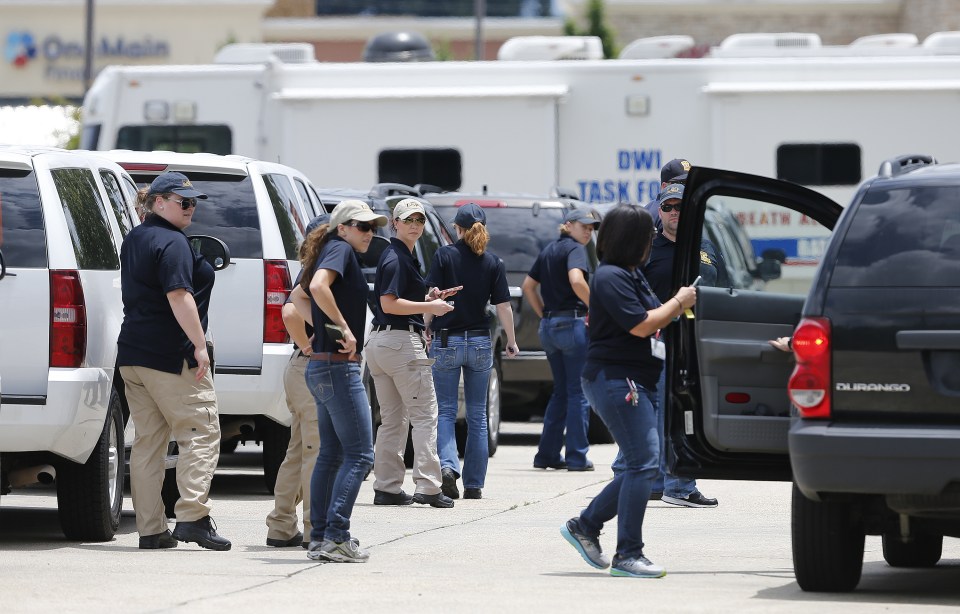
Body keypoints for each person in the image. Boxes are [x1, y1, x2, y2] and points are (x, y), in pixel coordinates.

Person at [560, 205, 697, 578]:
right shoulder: (610, 277)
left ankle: (586, 525)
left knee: (640, 464)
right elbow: (641, 325)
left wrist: (678, 308)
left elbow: (658, 317)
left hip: (637, 379)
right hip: (617, 379)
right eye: (646, 236)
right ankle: (628, 554)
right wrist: (679, 302)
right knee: (644, 463)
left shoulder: (632, 275)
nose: (651, 242)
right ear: (631, 239)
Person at [118, 171, 231, 551]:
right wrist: (200, 347)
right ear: (159, 202)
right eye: (184, 202)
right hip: (171, 355)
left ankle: (151, 529)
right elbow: (179, 296)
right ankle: (193, 518)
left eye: (194, 202)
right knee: (201, 432)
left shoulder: (135, 237)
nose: (190, 208)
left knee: (149, 441)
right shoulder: (173, 242)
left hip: (133, 355)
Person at [289, 199, 385, 563]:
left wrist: (322, 329)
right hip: (339, 369)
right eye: (362, 226)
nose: (368, 233)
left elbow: (299, 295)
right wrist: (342, 329)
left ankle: (321, 536)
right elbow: (316, 287)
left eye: (372, 227)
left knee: (331, 454)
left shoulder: (330, 249)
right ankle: (337, 536)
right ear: (342, 227)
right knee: (361, 454)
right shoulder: (340, 249)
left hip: (323, 367)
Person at [424, 203, 520, 501]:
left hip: (447, 340)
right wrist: (512, 341)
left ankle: (450, 467)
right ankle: (475, 484)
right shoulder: (493, 262)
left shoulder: (444, 255)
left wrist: (427, 325)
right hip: (480, 341)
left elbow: (431, 297)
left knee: (447, 411)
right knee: (478, 414)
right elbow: (503, 306)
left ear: (458, 229)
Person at [366, 198, 456, 508]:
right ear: (395, 223)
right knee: (425, 416)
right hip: (400, 343)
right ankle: (429, 487)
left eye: (419, 220)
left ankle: (388, 487)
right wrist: (431, 306)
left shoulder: (401, 255)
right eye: (408, 220)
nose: (415, 225)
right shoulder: (396, 258)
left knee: (392, 420)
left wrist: (429, 295)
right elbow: (389, 303)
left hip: (381, 344)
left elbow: (398, 298)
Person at [640, 183, 720, 507]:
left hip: (693, 342)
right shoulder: (647, 249)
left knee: (684, 412)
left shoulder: (703, 247)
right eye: (668, 207)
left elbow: (726, 286)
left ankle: (673, 481)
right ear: (659, 211)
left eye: (680, 207)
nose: (674, 213)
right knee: (663, 415)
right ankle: (674, 484)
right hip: (657, 343)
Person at [264, 214, 327, 549]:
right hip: (309, 368)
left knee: (298, 451)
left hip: (298, 370)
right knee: (315, 452)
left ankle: (281, 523)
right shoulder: (319, 272)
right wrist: (307, 344)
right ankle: (313, 527)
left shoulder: (311, 267)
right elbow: (289, 312)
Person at [522, 207, 601, 472]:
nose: (588, 232)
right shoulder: (575, 250)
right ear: (568, 225)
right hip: (573, 325)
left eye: (591, 228)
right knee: (578, 392)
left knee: (561, 391)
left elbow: (527, 287)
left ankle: (547, 455)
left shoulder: (548, 250)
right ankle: (577, 457)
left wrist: (544, 314)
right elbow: (577, 281)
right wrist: (597, 307)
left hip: (550, 327)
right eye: (584, 226)